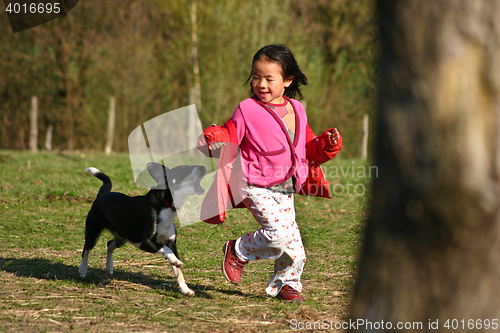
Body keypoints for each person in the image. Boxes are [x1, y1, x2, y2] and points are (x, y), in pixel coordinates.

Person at [198, 44, 342, 303]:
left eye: (268, 78)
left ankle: (287, 284)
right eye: (256, 76)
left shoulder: (298, 110)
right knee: (279, 234)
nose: (260, 84)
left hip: (286, 187)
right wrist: (213, 138)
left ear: (288, 80)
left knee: (295, 248)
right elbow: (229, 132)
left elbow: (307, 148)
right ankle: (238, 249)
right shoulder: (246, 109)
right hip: (254, 183)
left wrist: (327, 145)